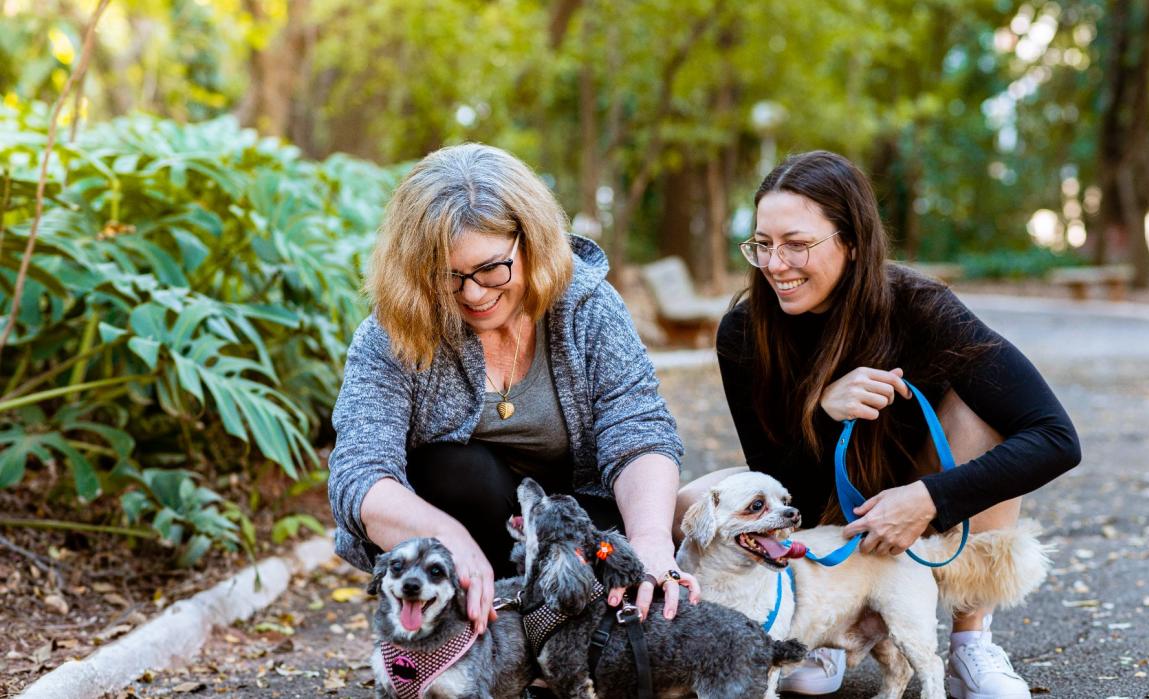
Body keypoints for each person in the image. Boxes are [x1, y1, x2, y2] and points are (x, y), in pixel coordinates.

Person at [676, 150, 1081, 699]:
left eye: (797, 244)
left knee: (984, 414)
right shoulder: (745, 331)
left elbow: (1055, 438)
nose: (774, 264)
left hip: (924, 490)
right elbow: (777, 477)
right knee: (688, 504)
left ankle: (969, 643)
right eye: (763, 244)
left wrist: (928, 498)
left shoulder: (922, 309)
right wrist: (819, 411)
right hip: (826, 512)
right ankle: (809, 628)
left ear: (852, 243)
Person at [329, 143, 699, 641]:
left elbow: (637, 431)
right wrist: (448, 538)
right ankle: (487, 627)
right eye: (448, 277)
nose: (473, 295)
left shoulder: (587, 307)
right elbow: (358, 475)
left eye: (490, 269)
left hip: (580, 522)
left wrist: (651, 541)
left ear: (532, 243)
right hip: (463, 525)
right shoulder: (392, 333)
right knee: (456, 469)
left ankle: (558, 625)